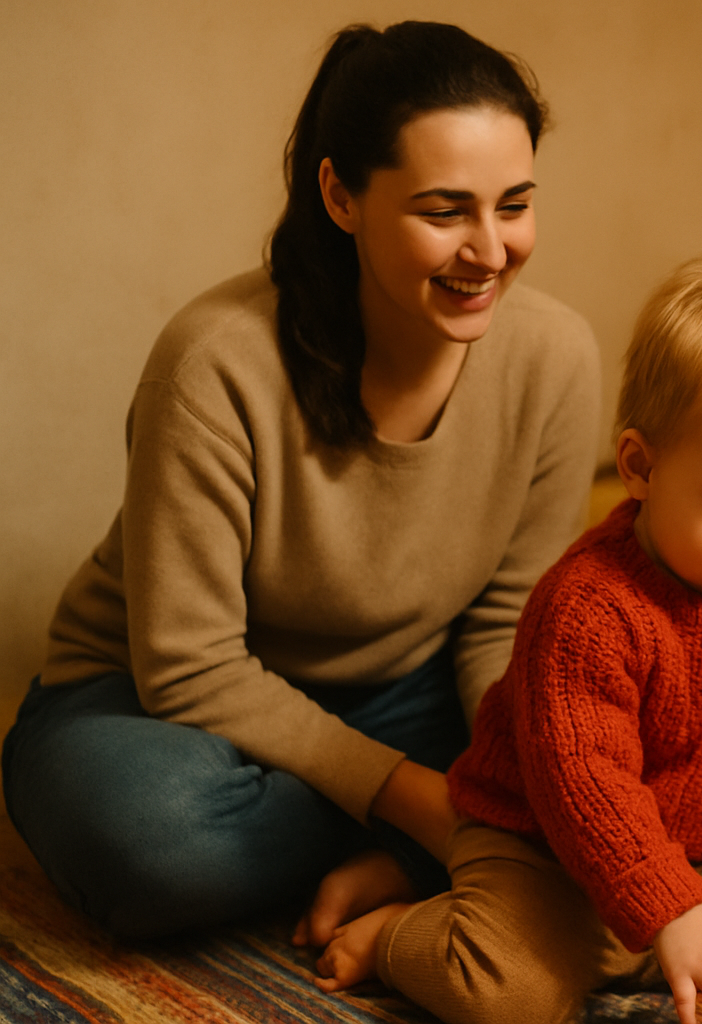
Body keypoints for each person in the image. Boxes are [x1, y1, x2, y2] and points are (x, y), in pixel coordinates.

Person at [1, 21, 599, 945]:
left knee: (608, 747)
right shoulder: (213, 364)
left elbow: (506, 623)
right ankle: (439, 840)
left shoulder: (556, 357)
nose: (490, 249)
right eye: (445, 212)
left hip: (406, 691)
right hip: (156, 705)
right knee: (156, 840)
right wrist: (430, 806)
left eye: (513, 205)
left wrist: (531, 766)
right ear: (341, 195)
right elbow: (191, 666)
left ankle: (413, 845)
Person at [311, 263, 702, 1024]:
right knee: (505, 998)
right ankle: (409, 926)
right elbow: (587, 788)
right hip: (549, 851)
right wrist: (672, 914)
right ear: (639, 468)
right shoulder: (589, 605)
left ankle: (633, 944)